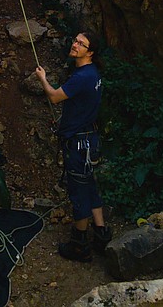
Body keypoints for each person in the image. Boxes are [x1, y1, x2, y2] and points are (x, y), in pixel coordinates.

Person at [35, 30, 112, 263]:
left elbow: (55, 97)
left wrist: (42, 79)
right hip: (89, 139)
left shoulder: (83, 77)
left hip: (79, 143)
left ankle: (80, 243)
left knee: (78, 191)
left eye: (81, 43)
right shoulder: (92, 73)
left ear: (90, 52)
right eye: (75, 40)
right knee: (89, 185)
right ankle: (100, 232)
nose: (75, 44)